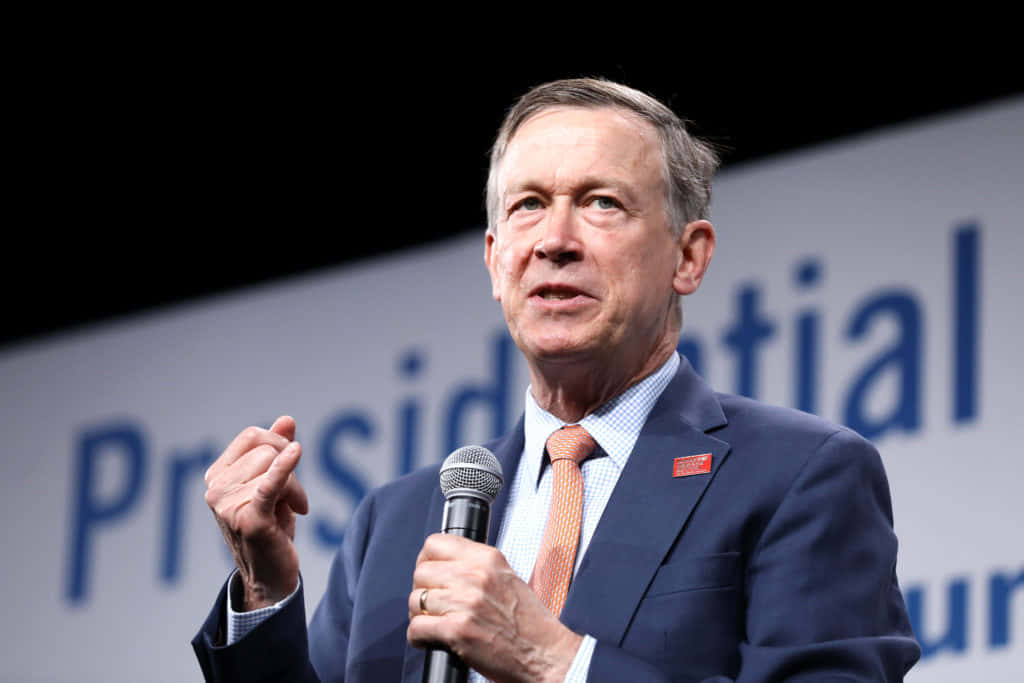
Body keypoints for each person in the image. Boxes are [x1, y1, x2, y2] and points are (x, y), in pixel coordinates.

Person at [193, 78, 921, 682]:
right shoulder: (396, 520)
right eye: (528, 206)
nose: (555, 241)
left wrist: (555, 659)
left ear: (688, 257)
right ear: (493, 258)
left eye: (602, 202)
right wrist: (264, 585)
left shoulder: (798, 474)